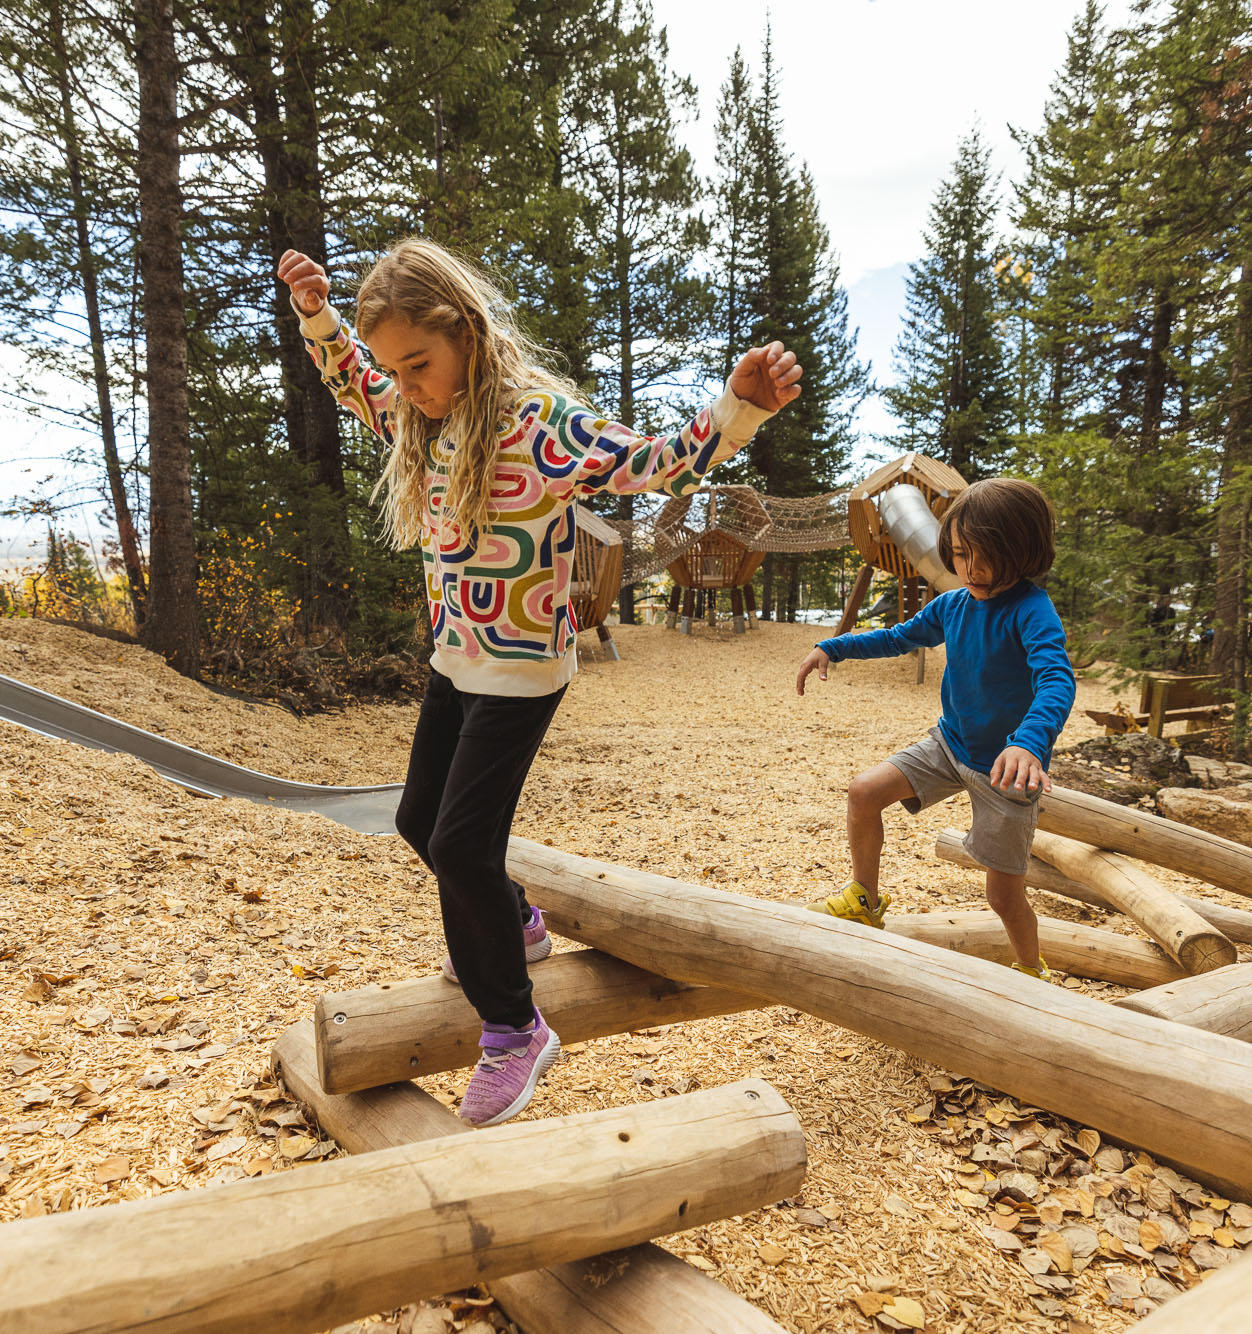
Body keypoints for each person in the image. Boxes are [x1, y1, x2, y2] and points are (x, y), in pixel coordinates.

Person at [278, 238, 803, 1125]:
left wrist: (736, 411)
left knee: (459, 846)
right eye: (396, 367)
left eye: (420, 364)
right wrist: (317, 317)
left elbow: (653, 464)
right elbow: (352, 383)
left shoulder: (538, 423)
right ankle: (518, 924)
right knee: (417, 818)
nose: (405, 384)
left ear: (469, 337)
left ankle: (516, 1028)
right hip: (456, 654)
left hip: (521, 668)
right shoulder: (419, 418)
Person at [793, 478, 1075, 978]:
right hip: (951, 744)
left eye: (985, 556)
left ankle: (1033, 971)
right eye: (961, 554)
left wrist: (1029, 744)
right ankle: (864, 899)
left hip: (1006, 770)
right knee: (863, 792)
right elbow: (899, 637)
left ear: (1022, 550)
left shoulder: (1032, 611)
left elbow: (1056, 679)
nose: (971, 569)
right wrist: (832, 647)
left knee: (1003, 898)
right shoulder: (955, 604)